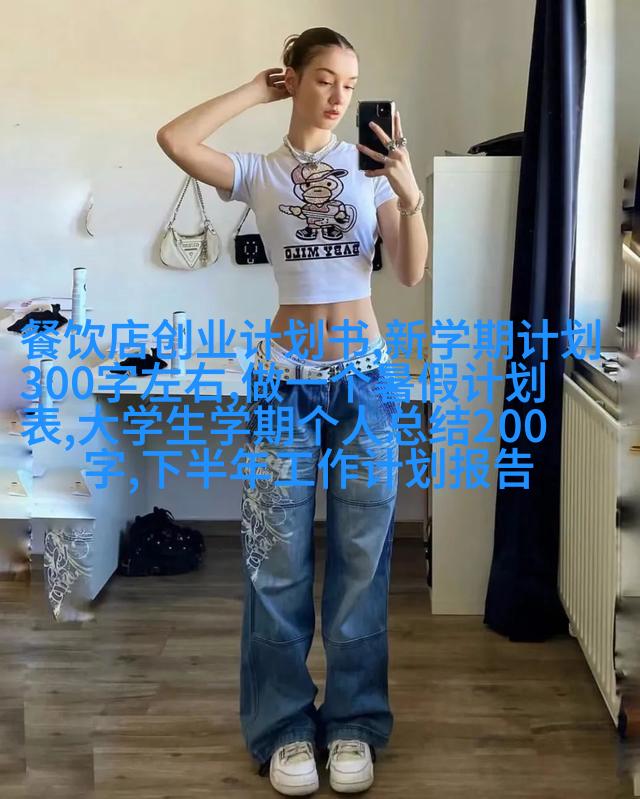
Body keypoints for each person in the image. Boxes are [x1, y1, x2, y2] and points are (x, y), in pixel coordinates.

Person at [157, 26, 428, 796]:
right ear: (295, 79)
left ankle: (353, 722)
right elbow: (175, 140)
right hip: (282, 382)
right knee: (275, 563)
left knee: (361, 563)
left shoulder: (371, 170)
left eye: (351, 84)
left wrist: (409, 194)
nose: (340, 96)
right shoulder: (259, 171)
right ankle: (282, 727)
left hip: (365, 379)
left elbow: (409, 272)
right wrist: (254, 90)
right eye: (325, 79)